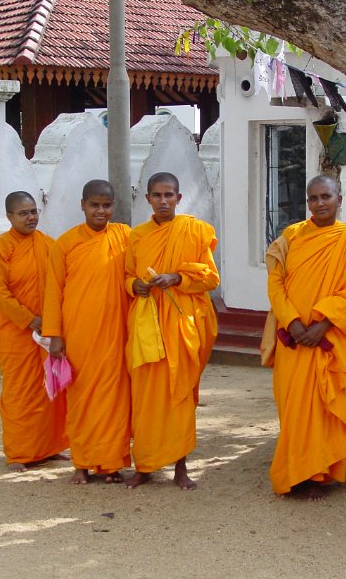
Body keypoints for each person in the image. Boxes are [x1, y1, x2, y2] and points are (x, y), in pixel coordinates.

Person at [266, 175, 346, 501]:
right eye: (313, 198)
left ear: (340, 199)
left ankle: (318, 474)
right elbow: (275, 282)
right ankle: (294, 473)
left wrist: (322, 325)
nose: (320, 203)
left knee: (325, 408)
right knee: (293, 408)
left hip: (327, 339)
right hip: (293, 340)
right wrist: (293, 321)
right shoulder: (291, 236)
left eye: (326, 196)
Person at [124, 172, 219, 490]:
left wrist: (178, 278)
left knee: (180, 396)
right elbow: (125, 277)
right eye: (157, 195)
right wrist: (134, 284)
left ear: (179, 198)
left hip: (181, 325)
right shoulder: (136, 237)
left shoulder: (195, 231)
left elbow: (210, 278)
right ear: (148, 199)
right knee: (146, 397)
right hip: (147, 323)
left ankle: (181, 466)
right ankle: (145, 465)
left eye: (169, 195)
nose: (163, 201)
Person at [43, 180, 132, 485]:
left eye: (106, 205)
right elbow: (53, 292)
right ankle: (81, 462)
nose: (100, 210)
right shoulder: (65, 244)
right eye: (94, 205)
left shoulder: (124, 236)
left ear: (113, 207)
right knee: (80, 399)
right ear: (82, 205)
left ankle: (110, 463)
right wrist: (54, 335)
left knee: (115, 399)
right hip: (78, 332)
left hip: (116, 331)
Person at [0, 191, 68, 472]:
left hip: (47, 332)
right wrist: (30, 319)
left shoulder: (48, 244)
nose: (31, 217)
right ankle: (19, 452)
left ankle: (49, 446)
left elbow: (60, 285)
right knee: (19, 392)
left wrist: (53, 322)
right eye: (23, 213)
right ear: (9, 217)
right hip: (16, 332)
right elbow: (0, 293)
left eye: (33, 211)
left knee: (50, 390)